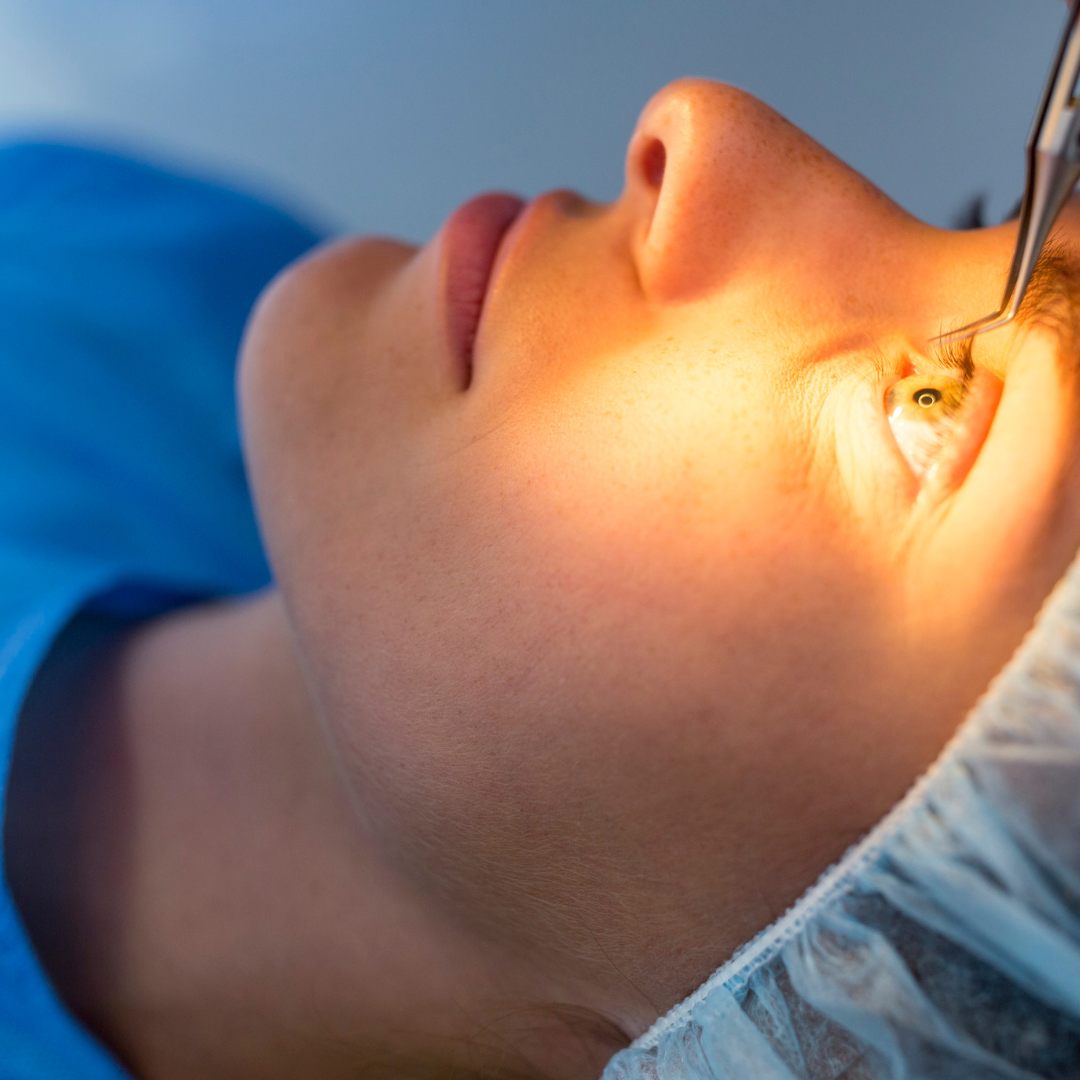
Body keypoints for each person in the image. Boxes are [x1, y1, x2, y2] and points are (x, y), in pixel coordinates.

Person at [3, 77, 1080, 1080]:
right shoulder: (123, 269)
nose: (709, 128)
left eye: (928, 414)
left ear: (837, 1023)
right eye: (982, 213)